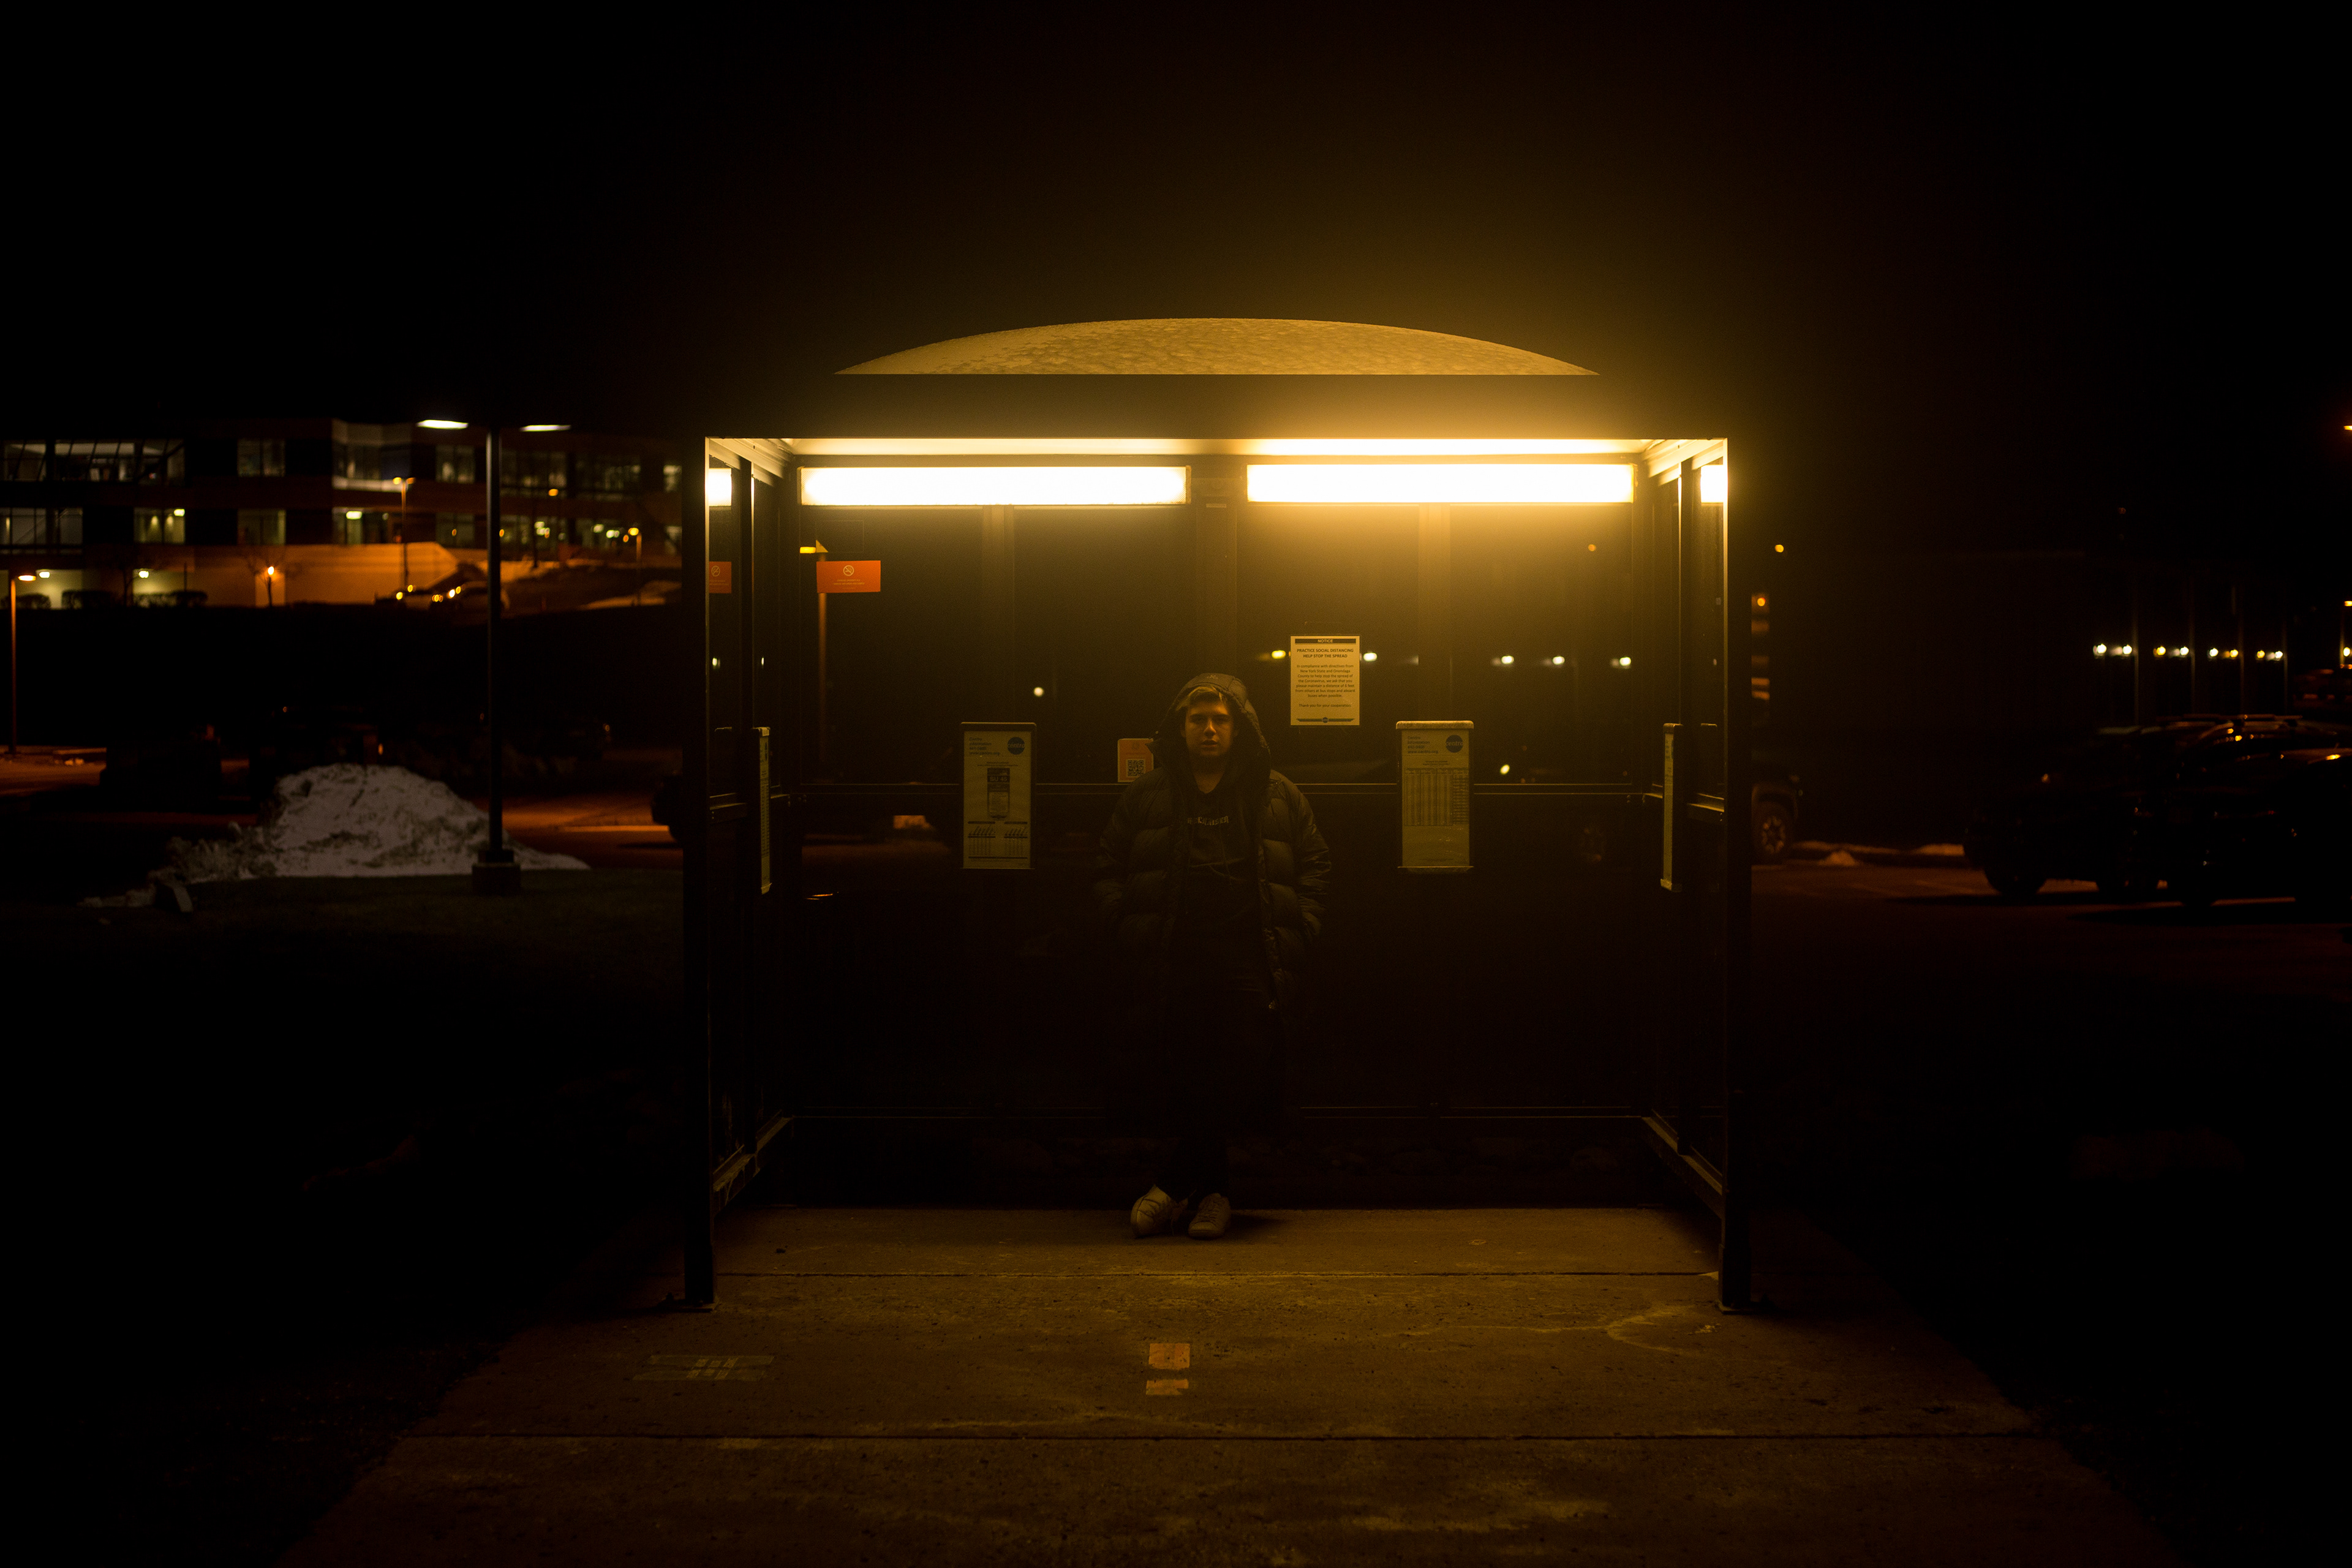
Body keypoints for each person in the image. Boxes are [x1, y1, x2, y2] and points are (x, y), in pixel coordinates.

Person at [1093, 674, 1331, 1239]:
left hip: (1249, 957)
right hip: (1173, 956)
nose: (1209, 729)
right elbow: (1107, 864)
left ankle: (1173, 1183)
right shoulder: (1150, 793)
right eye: (1198, 718)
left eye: (1221, 719)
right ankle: (1215, 1196)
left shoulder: (1275, 793)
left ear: (1239, 729)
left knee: (1244, 1061)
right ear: (1181, 728)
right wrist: (1122, 922)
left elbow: (1316, 864)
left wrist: (1306, 925)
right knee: (1192, 1072)